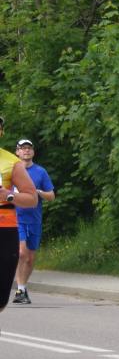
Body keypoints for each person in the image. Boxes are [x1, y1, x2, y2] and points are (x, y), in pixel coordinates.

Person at [0, 117, 40, 322]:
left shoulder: (11, 163)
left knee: (1, 298)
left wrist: (8, 195)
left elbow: (32, 198)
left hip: (4, 230)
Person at [13, 139, 56, 304]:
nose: (26, 151)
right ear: (17, 152)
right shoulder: (11, 171)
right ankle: (19, 290)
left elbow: (51, 196)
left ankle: (22, 288)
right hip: (16, 218)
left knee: (30, 258)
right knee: (21, 253)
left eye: (29, 148)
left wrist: (38, 192)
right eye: (22, 148)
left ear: (33, 151)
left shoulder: (40, 172)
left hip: (34, 219)